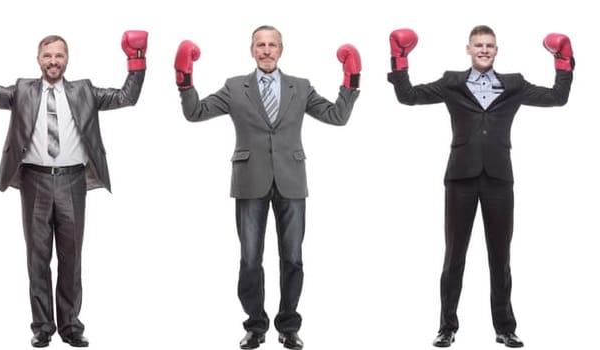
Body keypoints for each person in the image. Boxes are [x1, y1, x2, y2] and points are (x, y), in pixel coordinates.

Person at [0, 25, 146, 348]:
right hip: (34, 181)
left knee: (71, 258)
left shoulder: (84, 91)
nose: (53, 61)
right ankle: (43, 326)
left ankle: (70, 326)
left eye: (59, 55)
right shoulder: (22, 90)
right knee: (38, 258)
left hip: (73, 180)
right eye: (47, 55)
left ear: (67, 59)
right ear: (38, 59)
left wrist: (137, 59)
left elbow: (126, 97)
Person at [386, 25, 573, 349]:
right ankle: (446, 327)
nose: (484, 49)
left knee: (500, 258)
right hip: (460, 178)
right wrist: (399, 59)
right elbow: (408, 96)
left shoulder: (514, 84)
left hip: (499, 178)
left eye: (489, 45)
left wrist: (563, 61)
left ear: (496, 50)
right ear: (468, 49)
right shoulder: (451, 83)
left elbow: (557, 98)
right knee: (454, 256)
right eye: (478, 45)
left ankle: (505, 328)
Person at [175, 25, 360, 350]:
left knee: (293, 258)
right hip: (249, 180)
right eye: (260, 45)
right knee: (250, 259)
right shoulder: (235, 87)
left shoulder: (300, 87)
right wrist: (184, 78)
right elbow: (195, 112)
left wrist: (351, 80)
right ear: (251, 50)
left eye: (272, 45)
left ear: (281, 50)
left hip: (292, 180)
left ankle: (288, 326)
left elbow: (337, 116)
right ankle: (255, 326)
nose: (266, 50)